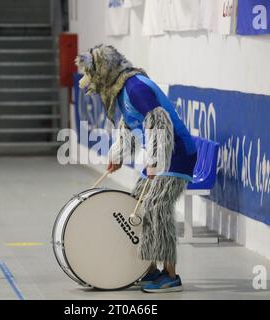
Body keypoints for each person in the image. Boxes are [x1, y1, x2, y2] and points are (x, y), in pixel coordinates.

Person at [75, 45, 197, 293]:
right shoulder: (120, 89)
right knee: (138, 206)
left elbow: (158, 121)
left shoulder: (136, 87)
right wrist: (118, 155)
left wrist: (155, 162)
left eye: (90, 74)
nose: (87, 81)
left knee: (156, 207)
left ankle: (170, 275)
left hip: (176, 154)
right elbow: (129, 123)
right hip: (161, 156)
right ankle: (149, 269)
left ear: (104, 71)